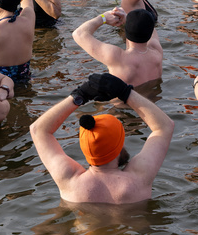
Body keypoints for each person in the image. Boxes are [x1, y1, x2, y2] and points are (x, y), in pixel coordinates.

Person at [30, 73, 175, 204]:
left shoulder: (69, 180)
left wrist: (78, 96)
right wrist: (126, 93)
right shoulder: (138, 179)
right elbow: (164, 127)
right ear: (119, 144)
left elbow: (38, 130)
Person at [73, 8, 162, 87]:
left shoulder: (117, 57)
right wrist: (129, 19)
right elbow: (148, 27)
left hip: (122, 105)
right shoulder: (157, 50)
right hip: (152, 103)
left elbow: (78, 34)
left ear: (127, 29)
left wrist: (103, 18)